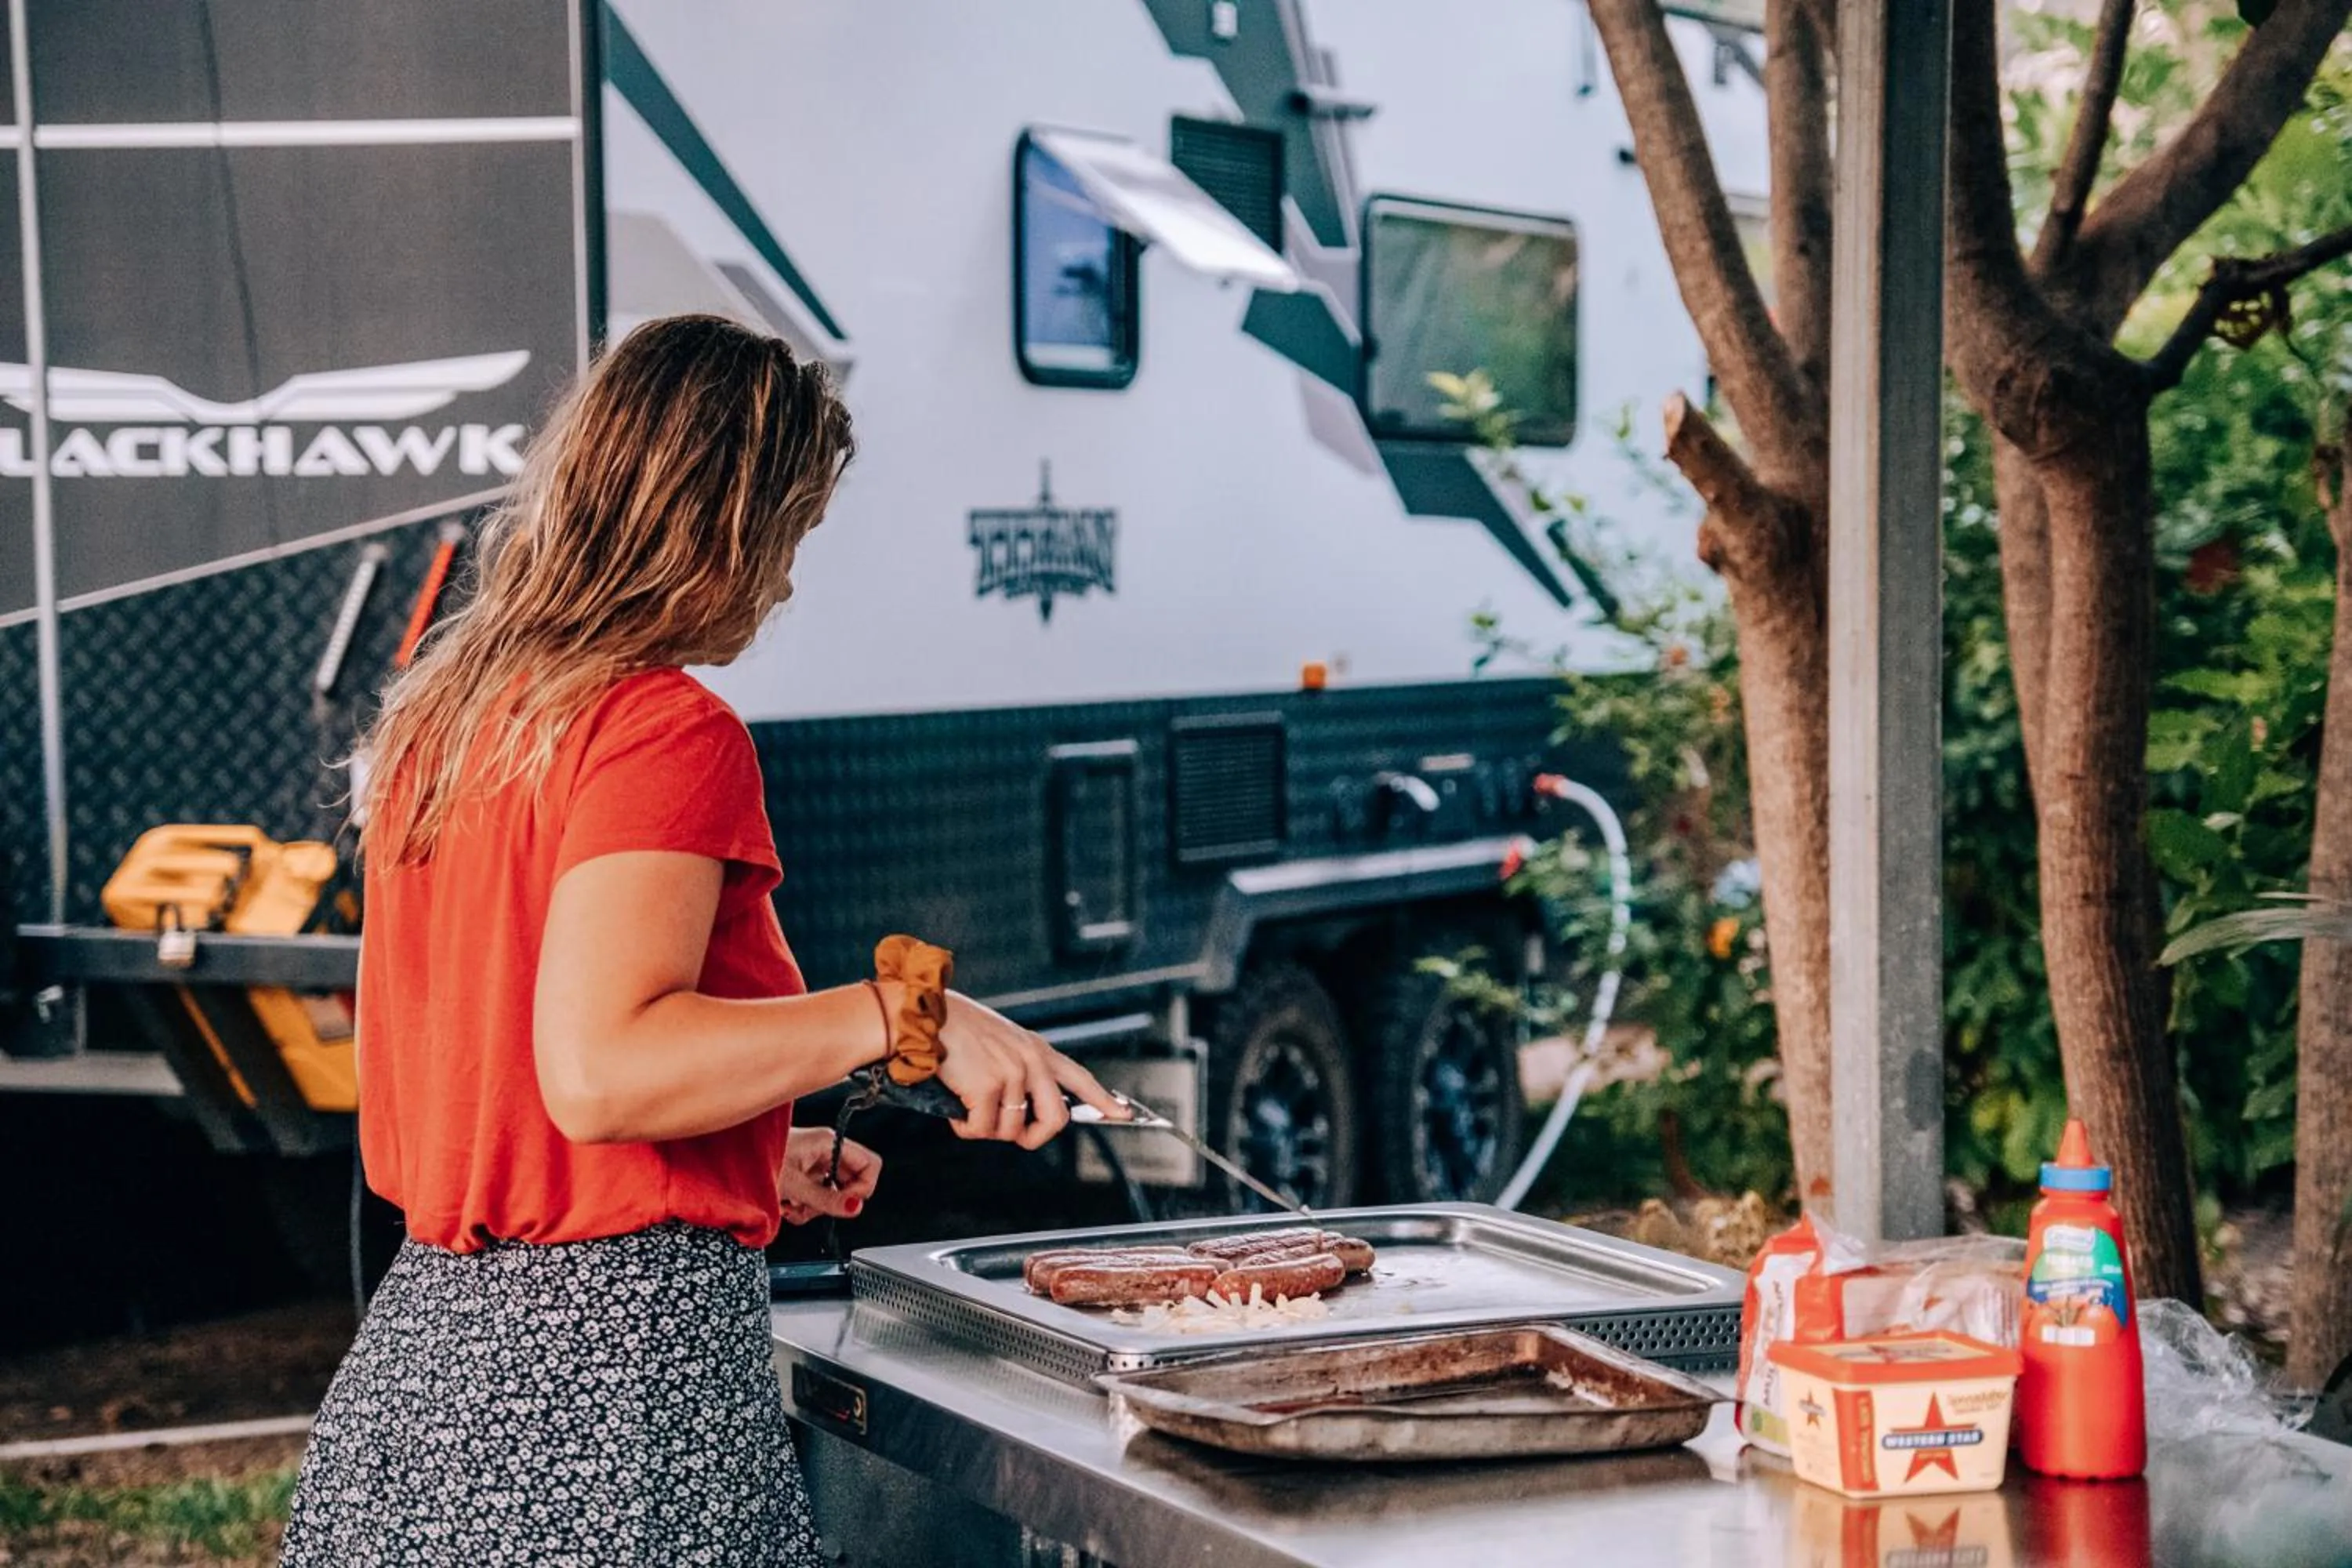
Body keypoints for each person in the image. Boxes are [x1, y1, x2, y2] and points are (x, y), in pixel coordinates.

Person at [282, 315, 1126, 1565]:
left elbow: (493, 1061)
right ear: (720, 525)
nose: (785, 583)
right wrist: (913, 1017)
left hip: (422, 1388)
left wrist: (735, 1154)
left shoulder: (446, 721)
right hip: (609, 1401)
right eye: (790, 538)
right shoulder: (663, 730)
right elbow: (603, 1070)